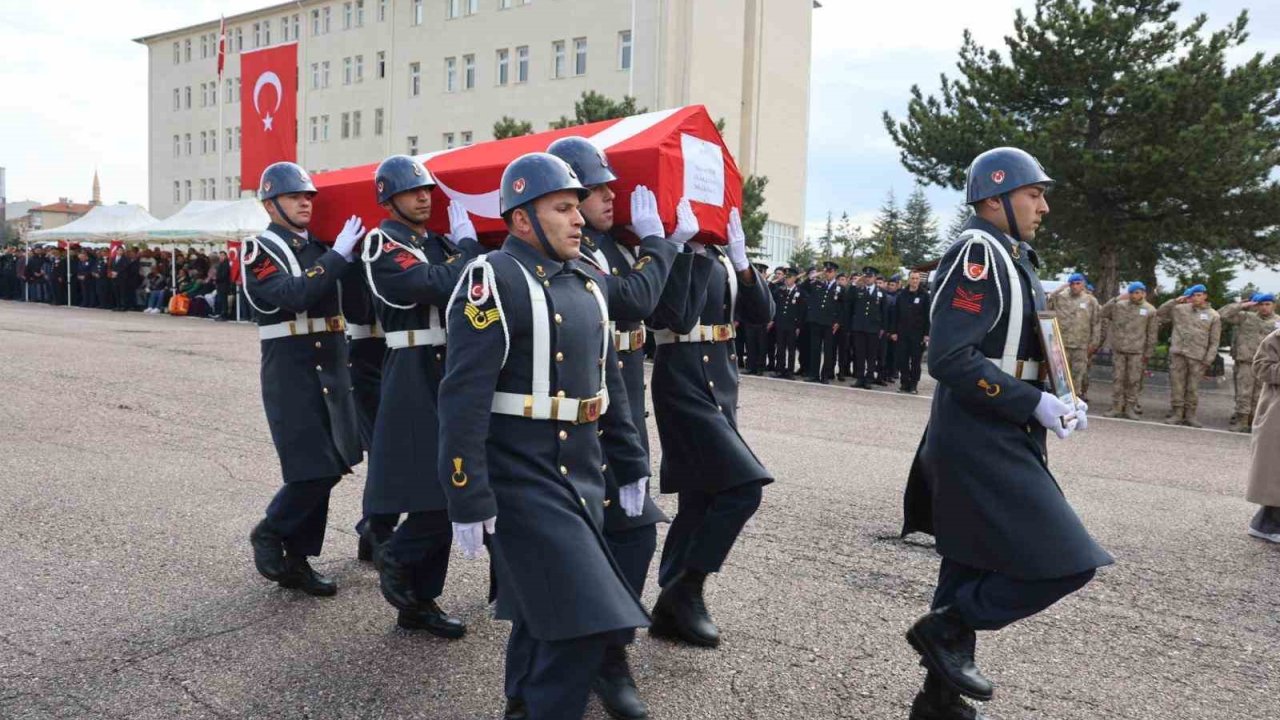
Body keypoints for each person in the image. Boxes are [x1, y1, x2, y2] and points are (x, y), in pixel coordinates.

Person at [437, 152, 650, 720]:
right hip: (520, 477)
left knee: (542, 615)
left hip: (579, 474)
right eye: (562, 207)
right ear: (523, 219)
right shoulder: (492, 278)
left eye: (579, 207)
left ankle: (521, 707)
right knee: (584, 623)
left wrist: (629, 462)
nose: (579, 219)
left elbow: (610, 388)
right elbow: (462, 399)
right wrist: (466, 493)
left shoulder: (588, 283)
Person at [902, 147, 1110, 720]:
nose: (1043, 205)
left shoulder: (1012, 252)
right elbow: (950, 358)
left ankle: (937, 702)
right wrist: (1031, 401)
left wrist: (1059, 396)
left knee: (970, 561)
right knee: (1069, 561)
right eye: (1032, 194)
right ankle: (947, 627)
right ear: (993, 198)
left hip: (1000, 426)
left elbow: (1021, 344)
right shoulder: (978, 252)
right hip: (980, 433)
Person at [548, 135, 693, 720]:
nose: (611, 197)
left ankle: (606, 647)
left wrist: (685, 249)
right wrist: (659, 244)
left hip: (624, 408)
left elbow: (670, 313)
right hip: (587, 420)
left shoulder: (612, 247)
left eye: (610, 187)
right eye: (596, 190)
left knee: (632, 530)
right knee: (600, 535)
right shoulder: (576, 255)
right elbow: (632, 299)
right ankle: (589, 654)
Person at [359, 154, 482, 634]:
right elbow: (432, 284)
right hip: (411, 366)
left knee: (451, 482)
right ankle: (398, 557)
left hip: (449, 364)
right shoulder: (381, 244)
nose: (424, 196)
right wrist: (469, 248)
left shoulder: (439, 242)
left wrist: (462, 248)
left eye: (427, 189)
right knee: (434, 485)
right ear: (389, 198)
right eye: (413, 191)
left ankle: (420, 599)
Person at [648, 206, 775, 650]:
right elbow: (673, 318)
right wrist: (684, 249)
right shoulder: (669, 248)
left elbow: (761, 314)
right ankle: (688, 588)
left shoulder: (719, 254)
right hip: (681, 376)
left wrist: (741, 264)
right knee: (744, 487)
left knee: (702, 497)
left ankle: (671, 603)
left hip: (721, 378)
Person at [243, 161, 365, 597]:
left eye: (309, 197)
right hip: (291, 366)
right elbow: (291, 295)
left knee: (334, 461)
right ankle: (271, 532)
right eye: (295, 197)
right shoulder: (260, 249)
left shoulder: (321, 247)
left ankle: (297, 557)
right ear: (270, 203)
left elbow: (349, 303)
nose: (305, 204)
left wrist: (351, 260)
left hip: (330, 362)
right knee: (311, 467)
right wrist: (336, 257)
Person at [1157, 285, 1222, 428]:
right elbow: (1160, 312)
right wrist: (1174, 301)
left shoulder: (1213, 315)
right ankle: (1177, 414)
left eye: (1199, 295)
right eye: (1193, 295)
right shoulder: (1180, 309)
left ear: (1205, 296)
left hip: (1197, 356)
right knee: (1177, 385)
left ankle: (1190, 415)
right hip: (1179, 353)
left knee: (1192, 387)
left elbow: (1214, 341)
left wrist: (1208, 359)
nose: (1196, 298)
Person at [1219, 293, 1280, 432]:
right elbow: (1222, 315)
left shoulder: (1278, 322)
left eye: (1267, 304)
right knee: (1244, 392)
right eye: (1260, 305)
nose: (1264, 308)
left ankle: (1255, 422)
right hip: (1247, 361)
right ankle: (1242, 421)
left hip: (1267, 365)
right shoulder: (1246, 317)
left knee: (1261, 395)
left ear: (1274, 305)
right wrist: (1242, 305)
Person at [1099, 282, 1159, 419]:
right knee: (1118, 379)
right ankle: (1116, 407)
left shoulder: (1150, 310)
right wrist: (1116, 298)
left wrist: (1148, 353)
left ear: (1143, 293)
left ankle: (1130, 408)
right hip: (1119, 349)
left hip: (1137, 352)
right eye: (1132, 292)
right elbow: (1102, 312)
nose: (1134, 295)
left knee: (1133, 381)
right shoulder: (1119, 306)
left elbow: (1152, 334)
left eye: (1138, 292)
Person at [1246, 328, 1280, 542]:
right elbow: (1260, 367)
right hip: (1277, 413)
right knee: (1275, 472)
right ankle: (1266, 525)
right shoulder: (1276, 338)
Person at [1047, 273, 1101, 402]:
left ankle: (1074, 401)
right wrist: (1061, 287)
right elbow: (1048, 301)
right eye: (1072, 284)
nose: (1075, 286)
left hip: (1081, 345)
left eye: (1078, 283)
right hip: (1062, 343)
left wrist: (1094, 343)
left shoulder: (1090, 301)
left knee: (1078, 375)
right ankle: (1059, 401)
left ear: (1083, 284)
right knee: (1061, 376)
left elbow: (1096, 322)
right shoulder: (1060, 297)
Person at [801, 261, 841, 383]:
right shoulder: (818, 284)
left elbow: (843, 307)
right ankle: (814, 374)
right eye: (826, 271)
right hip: (816, 321)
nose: (827, 274)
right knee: (815, 349)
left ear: (834, 272)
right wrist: (818, 273)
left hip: (829, 323)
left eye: (830, 271)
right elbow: (804, 286)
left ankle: (825, 375)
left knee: (828, 350)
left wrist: (838, 321)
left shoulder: (839, 288)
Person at [892, 270, 930, 394]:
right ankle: (904, 383)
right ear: (908, 280)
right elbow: (896, 314)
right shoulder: (902, 294)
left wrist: (926, 334)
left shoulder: (924, 295)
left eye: (916, 279)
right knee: (902, 359)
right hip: (902, 333)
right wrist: (893, 331)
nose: (914, 281)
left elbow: (927, 316)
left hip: (917, 334)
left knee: (915, 361)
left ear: (919, 280)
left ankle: (913, 385)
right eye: (912, 278)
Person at [849, 266, 887, 389]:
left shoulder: (881, 292)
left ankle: (869, 378)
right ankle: (860, 378)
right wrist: (855, 282)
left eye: (870, 276)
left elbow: (884, 312)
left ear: (875, 278)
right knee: (859, 354)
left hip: (873, 328)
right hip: (859, 327)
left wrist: (883, 328)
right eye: (866, 276)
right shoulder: (858, 289)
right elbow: (849, 300)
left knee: (871, 355)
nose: (868, 279)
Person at [772, 269, 804, 378]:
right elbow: (774, 302)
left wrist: (799, 326)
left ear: (795, 278)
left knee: (791, 349)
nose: (787, 280)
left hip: (792, 325)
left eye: (789, 277)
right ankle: (779, 369)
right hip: (781, 323)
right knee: (780, 348)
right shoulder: (780, 290)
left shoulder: (800, 292)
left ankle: (790, 371)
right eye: (786, 277)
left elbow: (801, 310)